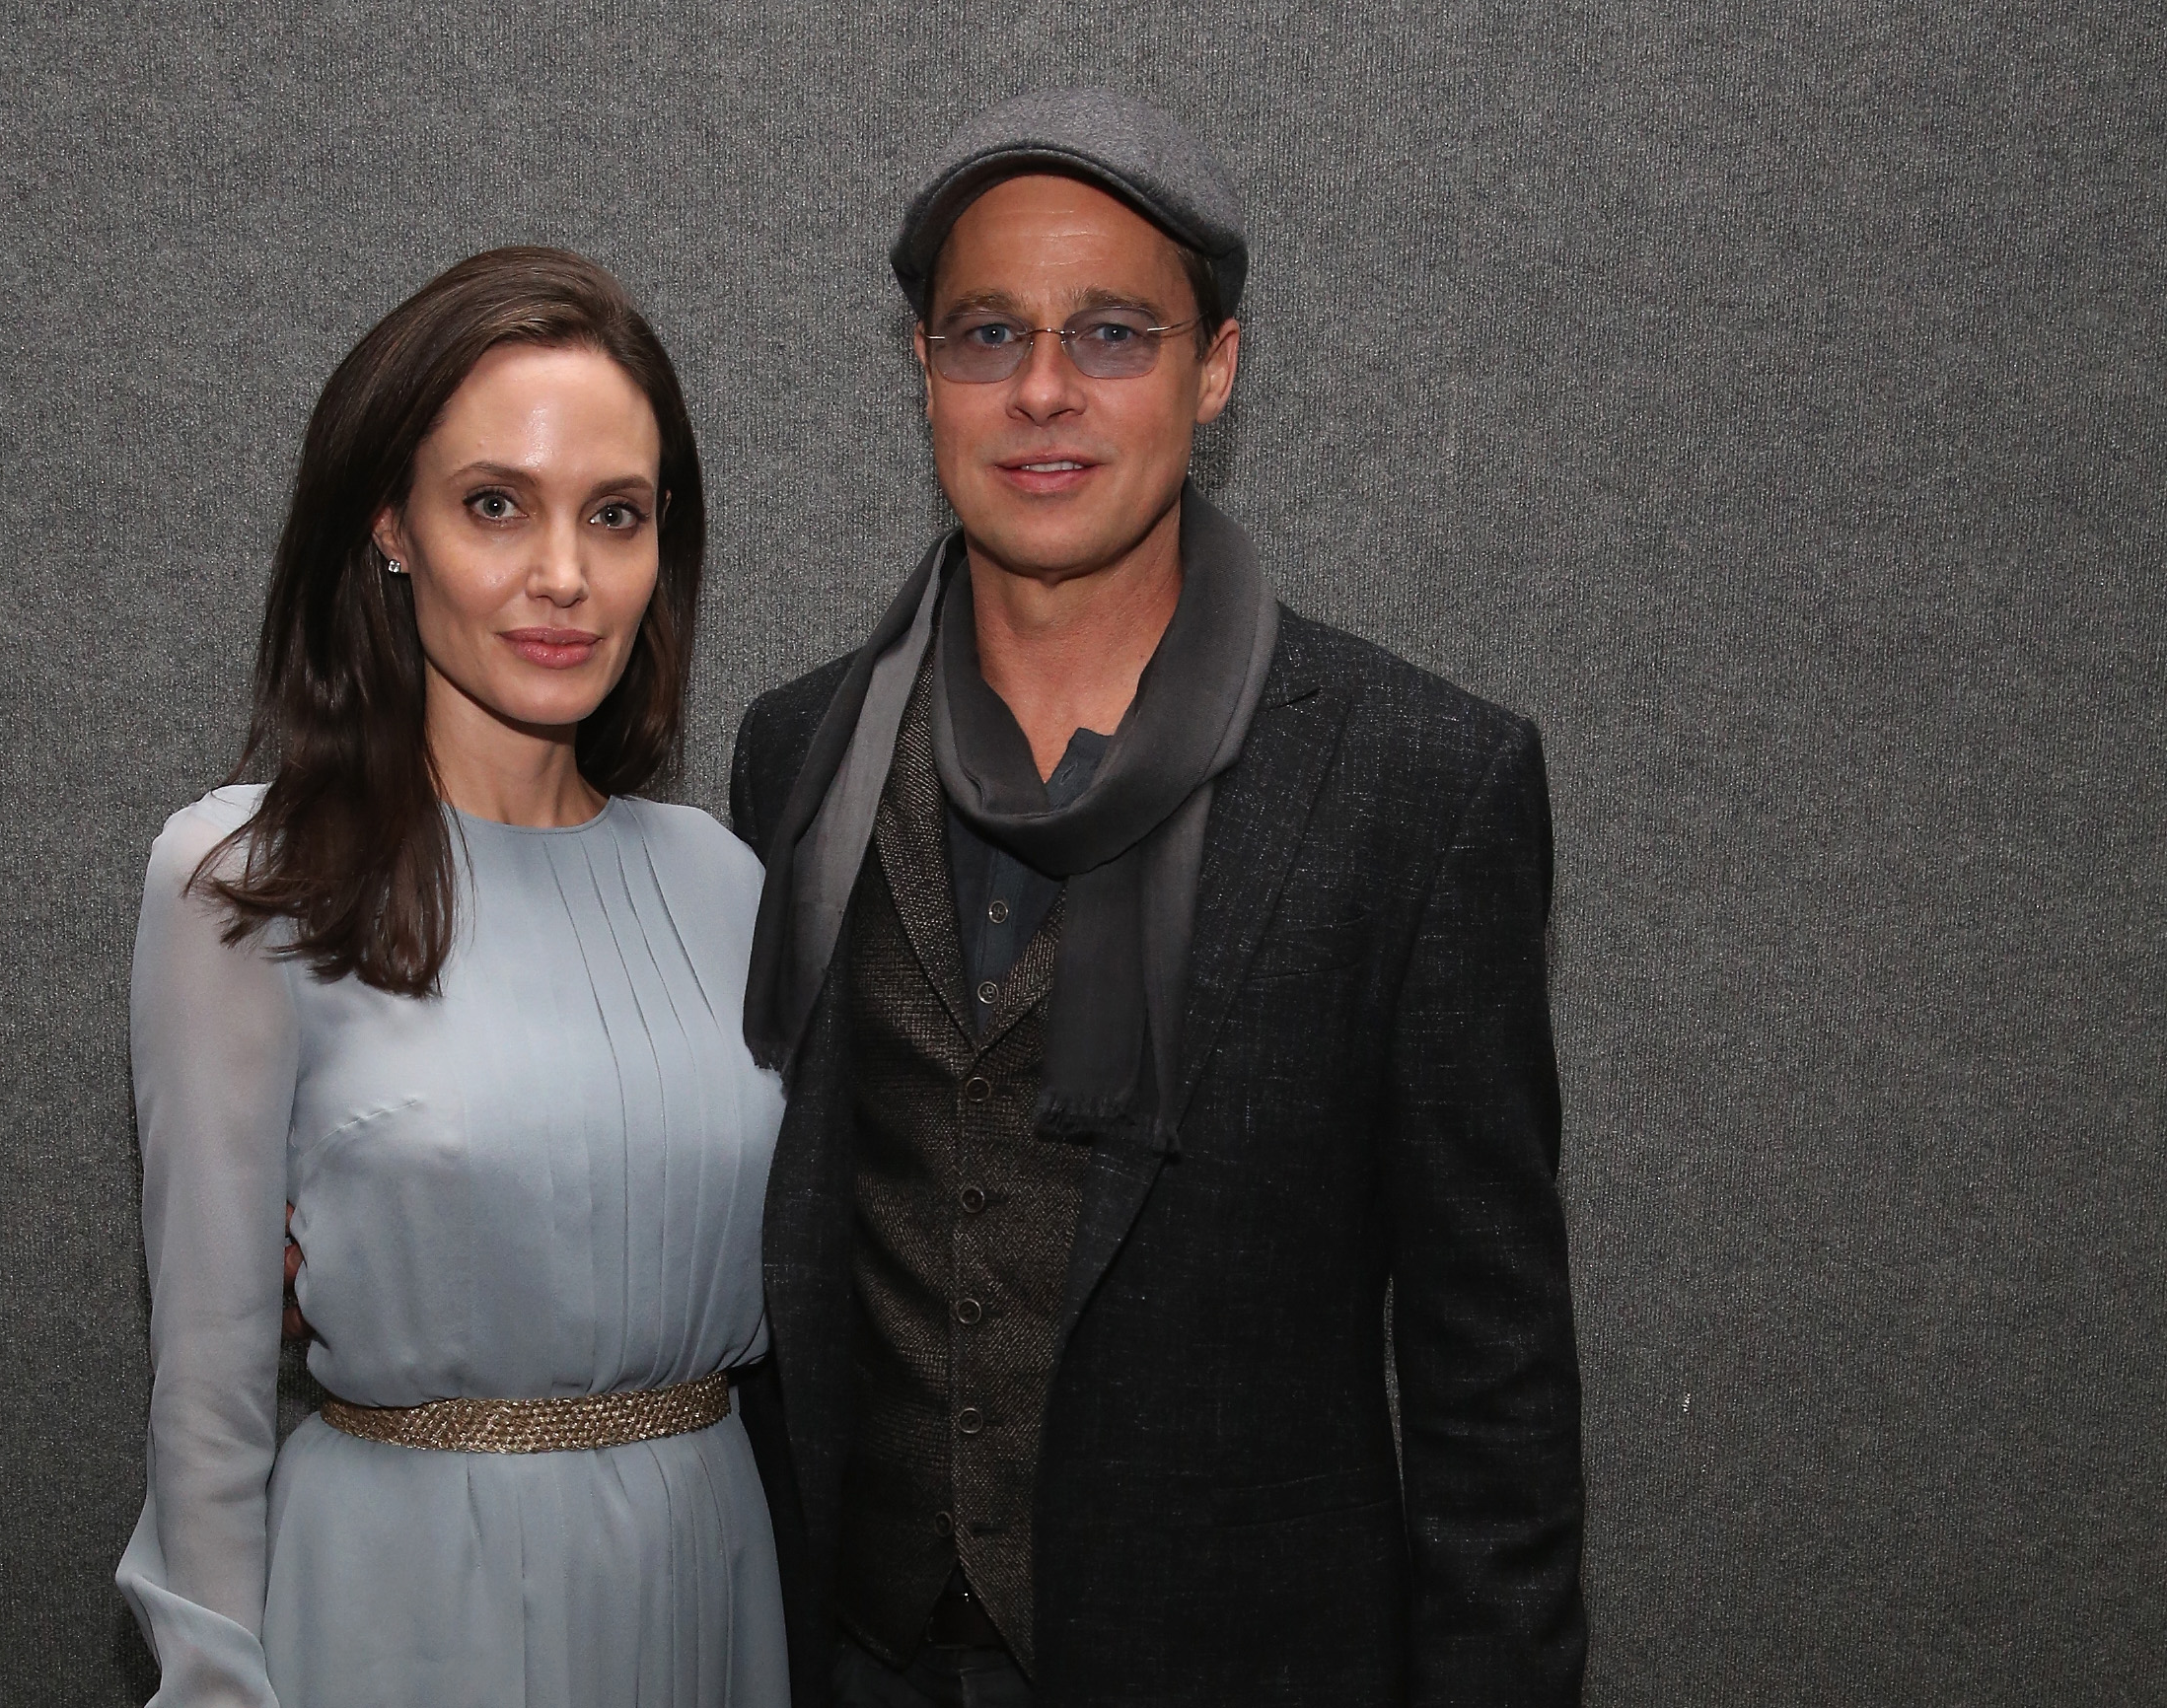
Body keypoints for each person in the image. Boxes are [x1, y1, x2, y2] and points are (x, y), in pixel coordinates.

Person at [730, 91, 1586, 1706]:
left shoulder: (1421, 785)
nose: (1042, 390)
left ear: (1218, 367)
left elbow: (1497, 1394)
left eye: (1113, 333)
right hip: (853, 1660)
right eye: (987, 335)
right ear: (922, 373)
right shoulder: (797, 755)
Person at [117, 248, 789, 1708]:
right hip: (404, 1609)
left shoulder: (727, 883)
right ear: (390, 528)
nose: (564, 576)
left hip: (712, 1589)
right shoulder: (244, 880)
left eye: (615, 515)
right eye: (497, 504)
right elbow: (211, 1395)